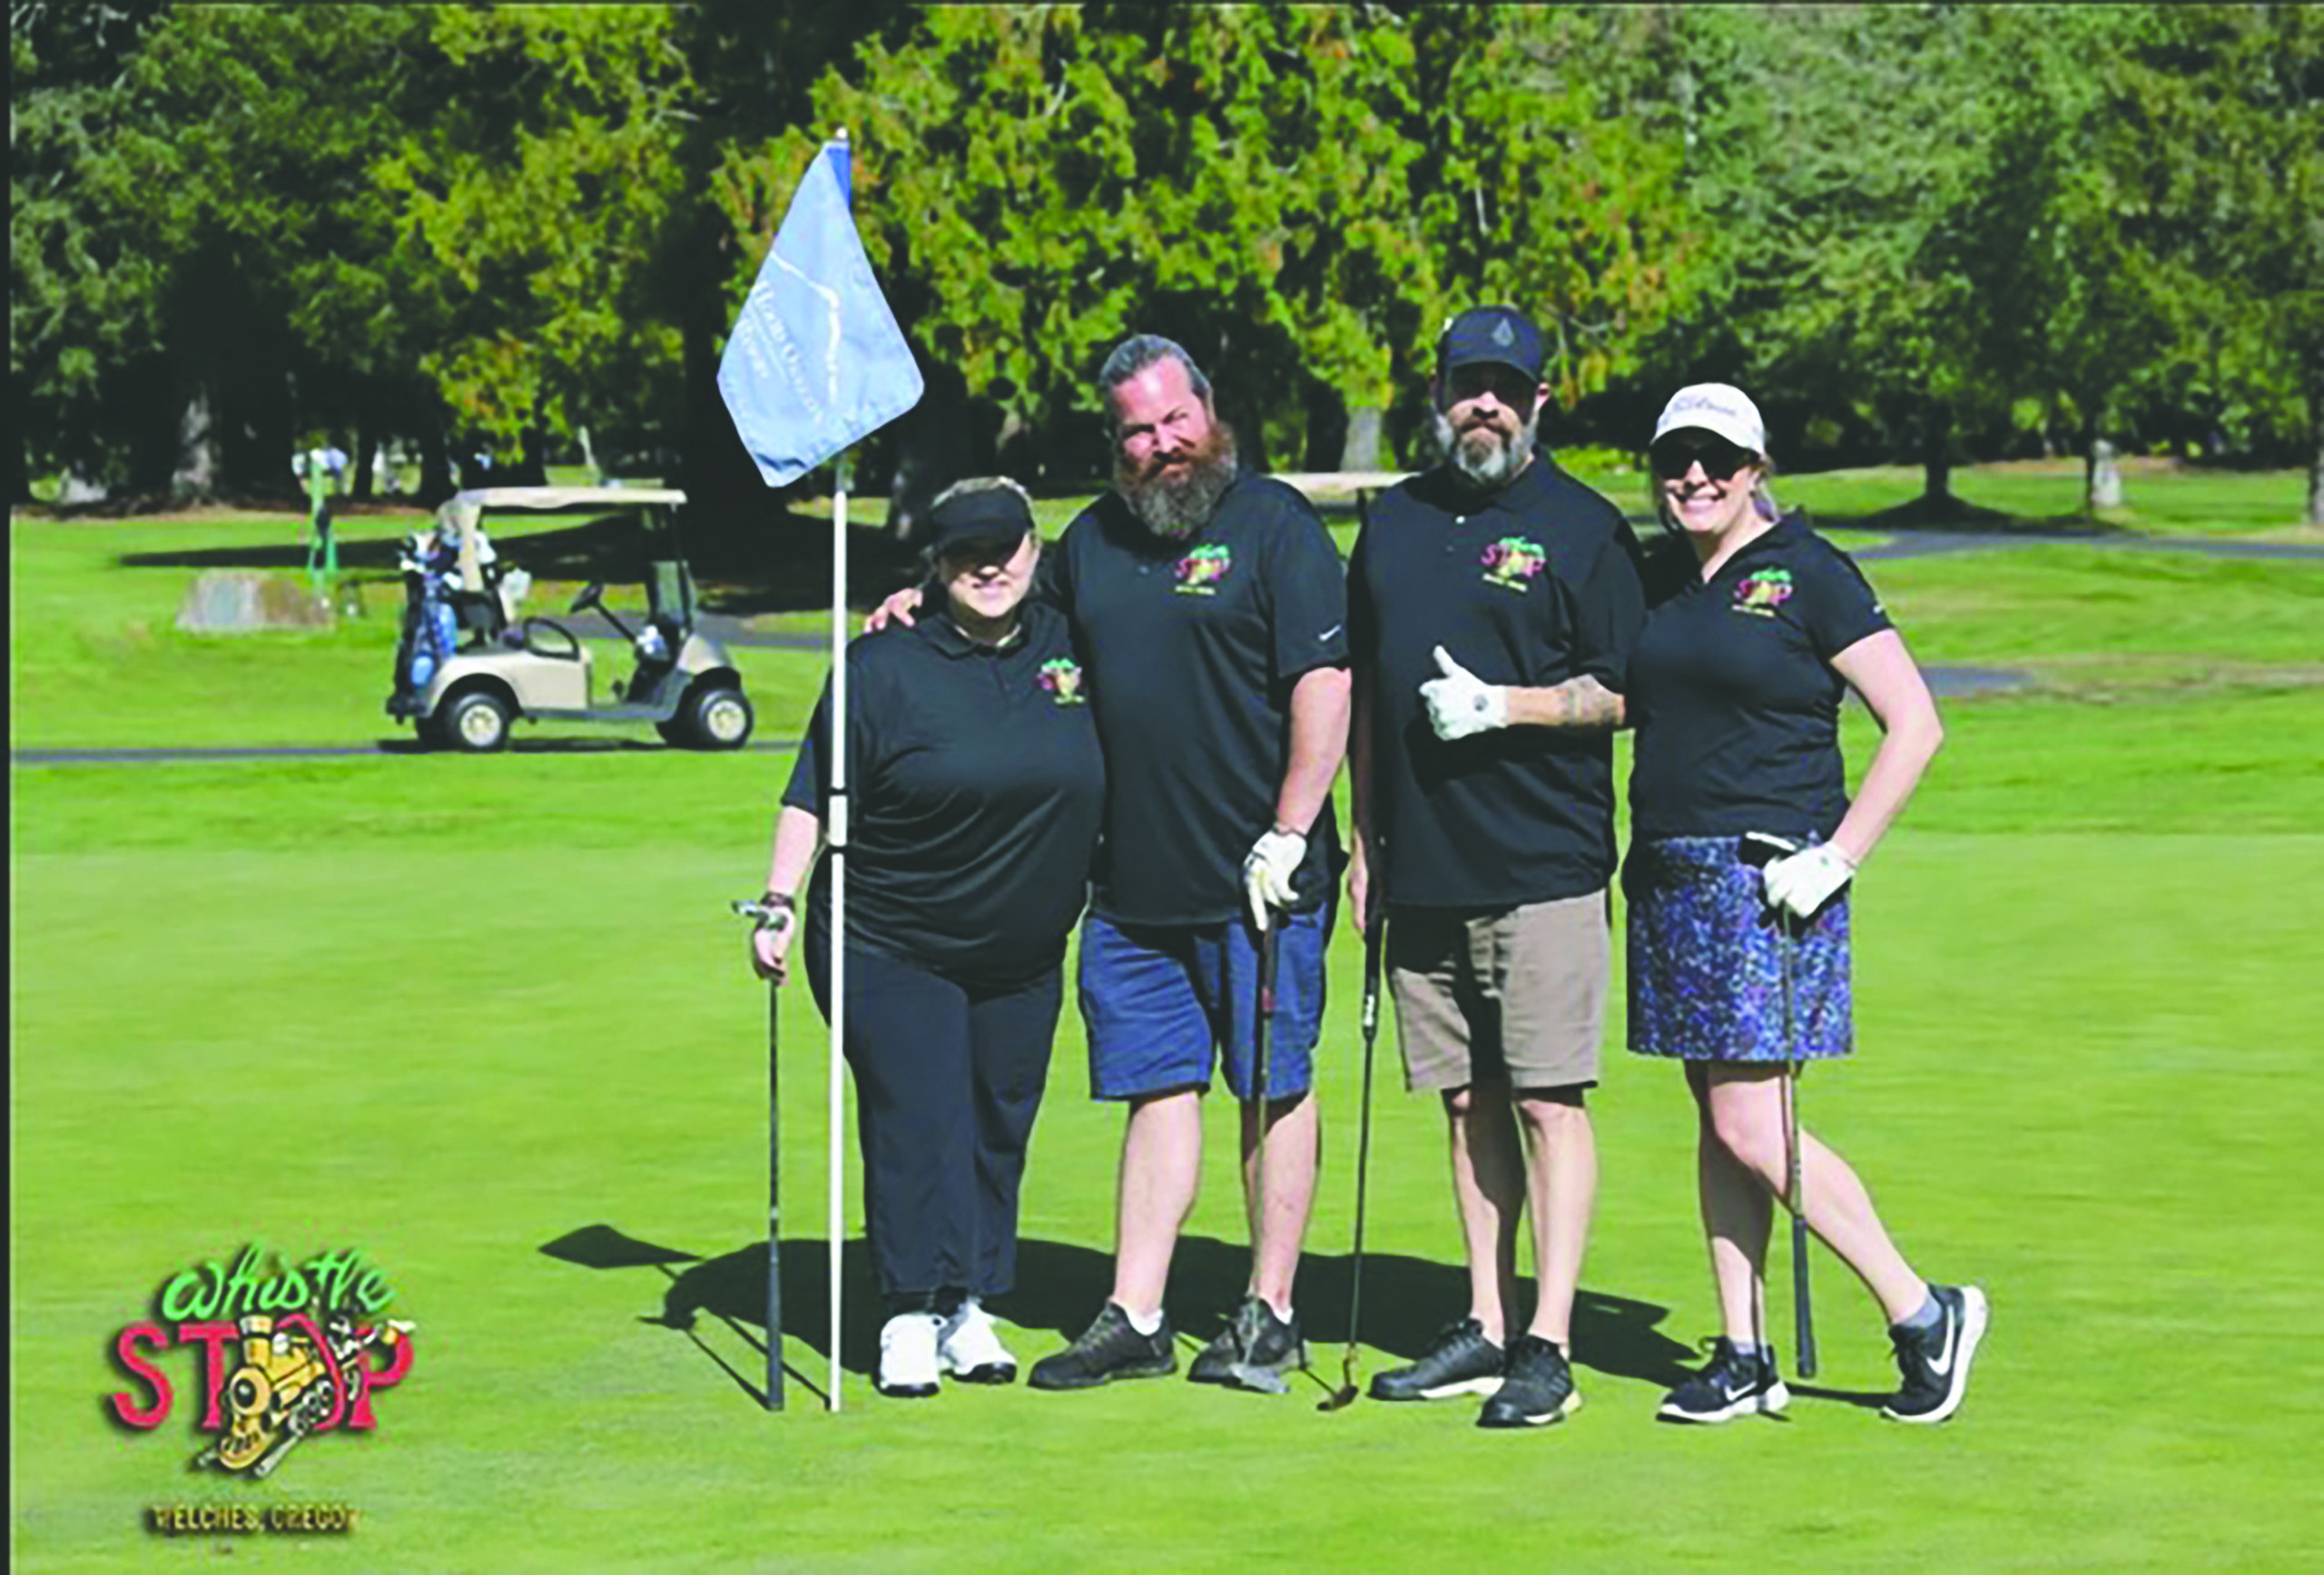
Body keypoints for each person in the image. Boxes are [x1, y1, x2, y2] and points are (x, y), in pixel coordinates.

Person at [871, 335, 1352, 1394]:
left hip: (1258, 879)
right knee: (1155, 1089)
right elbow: (1000, 616)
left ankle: (1269, 1311)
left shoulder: (1274, 523)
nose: (1160, 443)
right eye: (1136, 429)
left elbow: (1323, 680)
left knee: (1271, 1086)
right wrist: (916, 608)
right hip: (1132, 889)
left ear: (1207, 410)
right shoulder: (1088, 545)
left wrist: (1291, 827)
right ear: (1115, 440)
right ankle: (1136, 1313)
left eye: (1173, 419)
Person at [1623, 383, 1987, 1425]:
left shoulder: (1811, 573)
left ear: (1755, 466)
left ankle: (1924, 1312)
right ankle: (1741, 1350)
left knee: (1751, 1122)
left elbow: (1913, 724)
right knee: (1719, 1117)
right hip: (1671, 878)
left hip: (1769, 880)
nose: (1694, 476)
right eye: (1676, 458)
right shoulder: (1664, 580)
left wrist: (1838, 854)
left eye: (1717, 459)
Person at [1345, 306, 1645, 1428]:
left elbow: (1626, 689)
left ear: (1538, 401)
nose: (1485, 405)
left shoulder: (1582, 528)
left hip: (1544, 864)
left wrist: (1505, 707)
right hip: (1420, 867)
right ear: (1438, 391)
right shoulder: (1396, 523)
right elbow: (1370, 696)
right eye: (1468, 384)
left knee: (1546, 1102)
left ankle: (1548, 1341)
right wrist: (1364, 839)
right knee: (1465, 1099)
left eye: (1504, 388)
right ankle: (1482, 1318)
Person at [749, 477, 1106, 1400]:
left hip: (1021, 948)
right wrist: (778, 899)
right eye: (964, 553)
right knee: (920, 1115)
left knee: (997, 1120)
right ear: (935, 564)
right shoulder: (881, 665)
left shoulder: (1075, 643)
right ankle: (907, 1312)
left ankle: (968, 1302)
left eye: (1006, 547)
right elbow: (812, 792)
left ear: (1036, 551)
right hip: (886, 938)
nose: (989, 566)